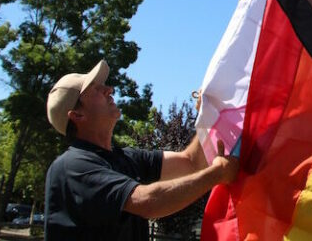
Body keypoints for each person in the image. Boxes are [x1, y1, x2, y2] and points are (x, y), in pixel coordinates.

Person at [44, 60, 238, 240]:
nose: (109, 89)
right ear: (77, 115)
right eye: (95, 89)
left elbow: (190, 162)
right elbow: (148, 202)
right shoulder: (72, 167)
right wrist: (217, 174)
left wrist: (207, 115)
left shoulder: (126, 158)